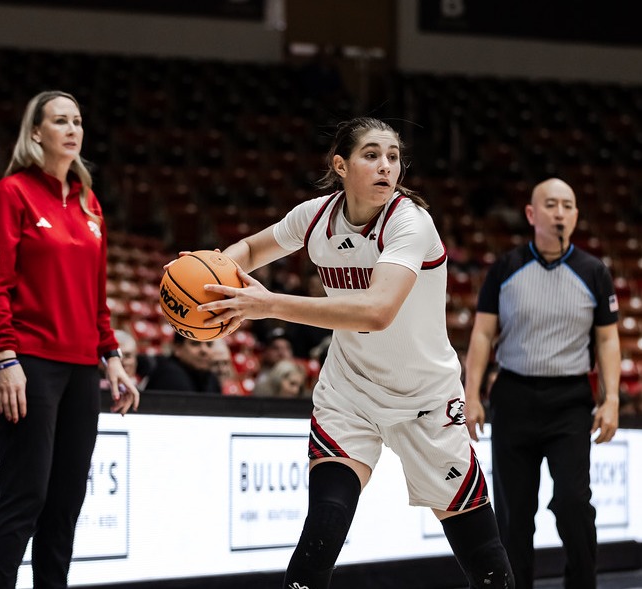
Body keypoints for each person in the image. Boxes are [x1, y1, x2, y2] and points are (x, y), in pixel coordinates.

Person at [198, 117, 514, 588]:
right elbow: (246, 249)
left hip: (425, 399)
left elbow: (376, 311)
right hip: (351, 393)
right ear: (341, 165)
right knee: (322, 532)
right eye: (372, 155)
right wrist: (206, 279)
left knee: (486, 564)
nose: (386, 165)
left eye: (393, 156)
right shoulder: (315, 217)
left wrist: (268, 305)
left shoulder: (410, 221)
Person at [0, 90, 139, 589]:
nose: (72, 129)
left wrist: (111, 357)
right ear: (35, 133)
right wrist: (5, 356)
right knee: (25, 496)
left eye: (78, 121)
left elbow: (96, 294)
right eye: (60, 121)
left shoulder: (90, 203)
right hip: (27, 364)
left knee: (66, 502)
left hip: (80, 369)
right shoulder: (10, 195)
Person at [463, 177, 620, 589]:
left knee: (573, 504)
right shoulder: (506, 268)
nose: (560, 212)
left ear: (576, 215)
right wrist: (471, 394)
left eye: (568, 205)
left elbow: (607, 338)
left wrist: (612, 399)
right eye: (550, 204)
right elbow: (481, 334)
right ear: (532, 214)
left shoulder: (594, 272)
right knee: (514, 514)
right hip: (513, 396)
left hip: (570, 401)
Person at [143, 333, 223, 394]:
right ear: (178, 348)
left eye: (209, 344)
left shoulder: (211, 378)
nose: (204, 350)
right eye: (195, 343)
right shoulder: (169, 375)